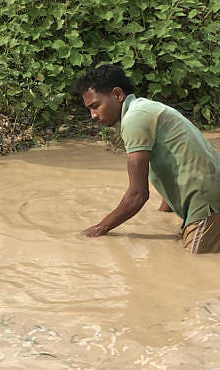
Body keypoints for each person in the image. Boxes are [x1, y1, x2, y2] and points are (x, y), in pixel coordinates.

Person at [73, 64, 220, 254]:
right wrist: (163, 217)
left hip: (206, 205)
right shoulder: (145, 109)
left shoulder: (135, 118)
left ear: (117, 94)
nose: (93, 115)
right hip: (209, 197)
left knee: (195, 267)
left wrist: (98, 229)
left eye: (95, 106)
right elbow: (172, 164)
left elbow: (137, 195)